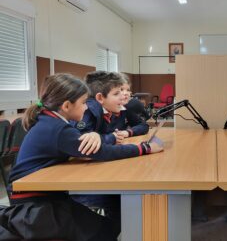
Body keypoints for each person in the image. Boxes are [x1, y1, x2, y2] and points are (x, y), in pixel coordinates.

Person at [0, 73, 163, 240]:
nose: (86, 108)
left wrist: (95, 137)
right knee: (105, 229)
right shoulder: (58, 129)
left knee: (109, 214)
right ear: (66, 106)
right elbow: (104, 152)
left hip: (39, 198)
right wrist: (144, 148)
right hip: (34, 209)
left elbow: (85, 145)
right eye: (84, 103)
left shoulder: (49, 121)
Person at [72, 71, 148, 234]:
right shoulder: (91, 110)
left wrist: (125, 134)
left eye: (124, 91)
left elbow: (142, 126)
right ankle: (118, 232)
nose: (123, 96)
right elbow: (84, 144)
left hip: (97, 169)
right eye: (117, 93)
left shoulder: (113, 108)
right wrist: (111, 138)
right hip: (79, 182)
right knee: (121, 196)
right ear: (100, 98)